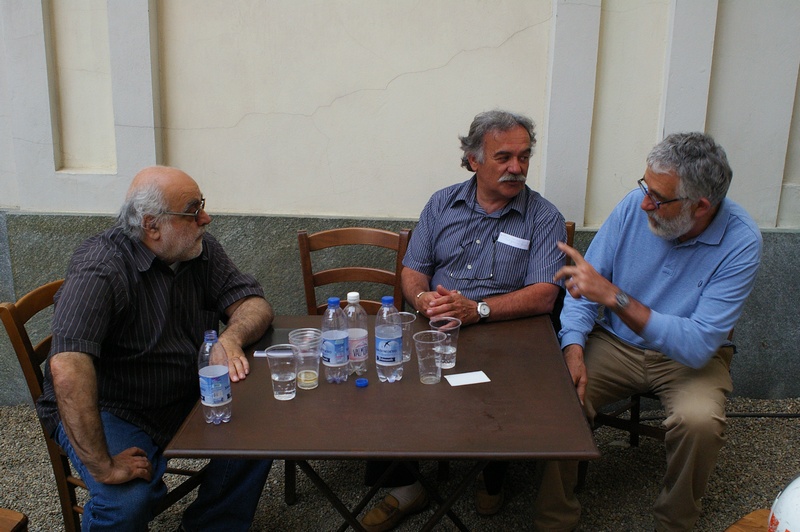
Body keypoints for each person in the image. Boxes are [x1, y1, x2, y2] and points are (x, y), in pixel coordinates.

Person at [538, 132, 762, 531]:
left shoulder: (741, 241)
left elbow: (696, 345)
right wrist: (572, 345)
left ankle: (674, 522)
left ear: (701, 206)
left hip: (691, 359)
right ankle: (555, 519)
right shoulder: (633, 207)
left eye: (658, 198)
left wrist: (615, 297)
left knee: (700, 421)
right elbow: (585, 287)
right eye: (645, 187)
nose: (645, 202)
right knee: (560, 397)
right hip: (615, 342)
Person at [36, 166, 275, 532]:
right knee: (127, 503)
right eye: (193, 210)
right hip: (114, 405)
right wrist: (103, 465)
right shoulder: (102, 265)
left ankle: (210, 526)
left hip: (181, 392)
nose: (206, 218)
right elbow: (67, 366)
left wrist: (230, 337)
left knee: (264, 431)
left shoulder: (199, 251)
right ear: (152, 226)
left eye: (203, 205)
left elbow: (255, 305)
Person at [360, 109, 566, 532]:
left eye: (524, 157)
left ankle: (492, 473)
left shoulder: (542, 217)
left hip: (504, 332)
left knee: (499, 393)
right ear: (473, 160)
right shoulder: (441, 203)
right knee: (387, 376)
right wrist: (421, 300)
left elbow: (545, 294)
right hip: (434, 325)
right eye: (504, 157)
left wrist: (479, 310)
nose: (517, 168)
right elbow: (413, 268)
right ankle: (405, 485)